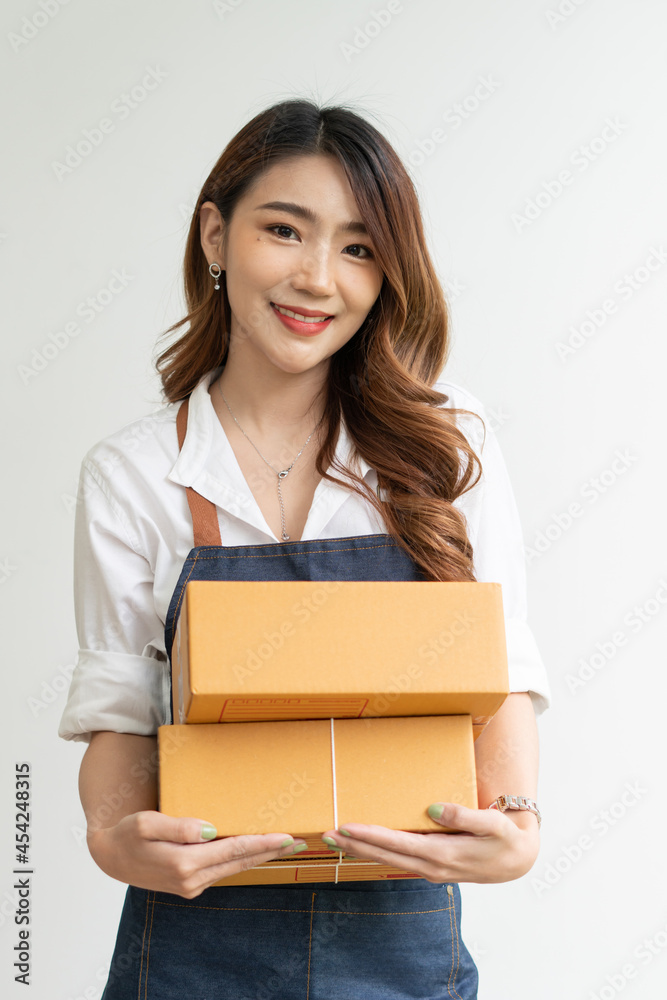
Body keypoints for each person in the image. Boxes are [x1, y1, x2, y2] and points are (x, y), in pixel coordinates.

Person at [58, 97, 551, 999]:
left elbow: (501, 668)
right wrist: (111, 834)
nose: (319, 277)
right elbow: (120, 712)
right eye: (284, 230)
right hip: (192, 951)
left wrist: (516, 823)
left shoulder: (449, 443)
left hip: (401, 950)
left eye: (359, 247)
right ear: (215, 235)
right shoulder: (132, 475)